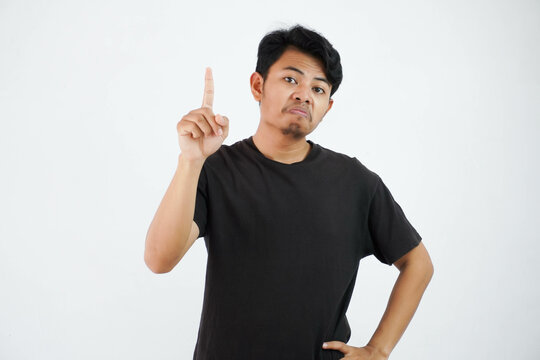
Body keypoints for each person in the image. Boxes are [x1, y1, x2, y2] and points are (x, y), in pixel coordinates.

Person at [144, 24, 434, 360]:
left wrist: (378, 349)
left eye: (319, 89)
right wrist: (190, 161)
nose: (304, 95)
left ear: (328, 106)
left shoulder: (355, 182)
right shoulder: (216, 169)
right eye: (291, 79)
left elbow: (418, 263)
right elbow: (159, 259)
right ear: (258, 85)